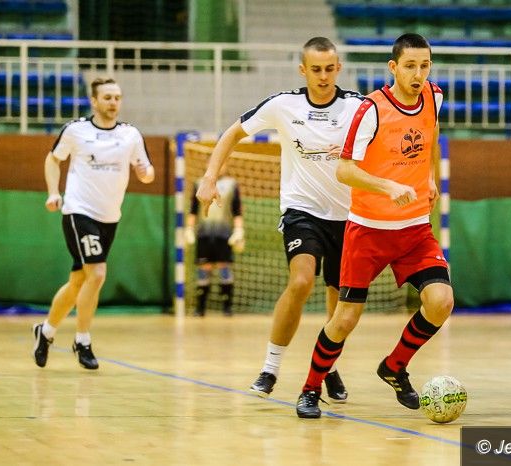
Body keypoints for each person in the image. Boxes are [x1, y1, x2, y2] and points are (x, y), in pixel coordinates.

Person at [196, 37, 364, 401]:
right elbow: (232, 134)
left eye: (329, 69)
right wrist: (210, 177)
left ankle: (328, 366)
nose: (323, 76)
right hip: (301, 211)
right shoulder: (283, 105)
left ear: (339, 68)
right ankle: (270, 367)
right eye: (315, 69)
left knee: (338, 299)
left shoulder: (358, 107)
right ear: (303, 70)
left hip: (348, 215)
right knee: (301, 281)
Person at [295, 33, 454, 418]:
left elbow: (430, 135)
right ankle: (310, 389)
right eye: (410, 66)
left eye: (425, 65)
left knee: (441, 302)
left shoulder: (434, 97)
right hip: (368, 231)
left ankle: (394, 366)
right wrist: (388, 186)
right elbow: (344, 169)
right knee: (345, 319)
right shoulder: (372, 109)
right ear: (393, 67)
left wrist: (429, 177)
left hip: (414, 230)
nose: (418, 74)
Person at [32, 77, 155, 370]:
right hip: (79, 211)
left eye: (117, 97)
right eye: (107, 97)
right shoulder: (76, 130)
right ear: (94, 101)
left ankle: (45, 331)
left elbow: (147, 173)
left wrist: (145, 173)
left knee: (79, 281)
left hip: (109, 216)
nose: (113, 102)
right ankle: (82, 340)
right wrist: (53, 192)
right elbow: (53, 160)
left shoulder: (130, 135)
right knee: (97, 274)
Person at [185, 166, 245, 317]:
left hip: (224, 234)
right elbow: (193, 209)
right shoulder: (199, 183)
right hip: (204, 234)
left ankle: (227, 308)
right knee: (204, 269)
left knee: (224, 267)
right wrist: (189, 229)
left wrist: (239, 230)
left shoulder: (231, 184)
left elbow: (237, 210)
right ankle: (200, 308)